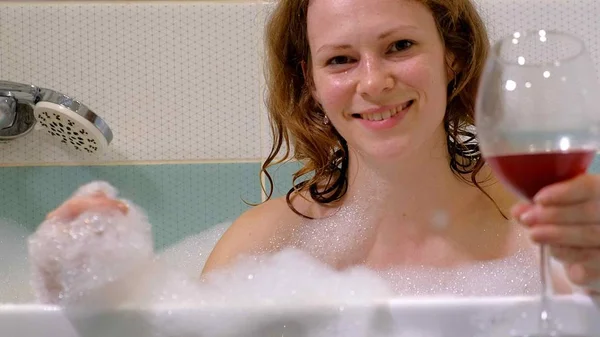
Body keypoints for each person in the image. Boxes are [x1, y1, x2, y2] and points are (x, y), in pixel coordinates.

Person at [38, 0, 600, 297]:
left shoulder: (541, 223)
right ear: (310, 80)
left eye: (400, 46)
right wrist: (86, 301)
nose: (374, 81)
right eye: (341, 59)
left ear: (450, 56)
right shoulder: (263, 247)